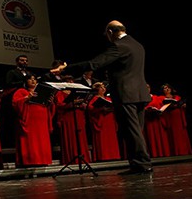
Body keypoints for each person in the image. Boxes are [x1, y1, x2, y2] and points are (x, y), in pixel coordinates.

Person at [52, 20, 153, 175]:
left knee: (132, 131)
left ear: (110, 32)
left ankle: (142, 164)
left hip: (126, 94)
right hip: (139, 93)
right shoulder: (137, 45)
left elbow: (94, 64)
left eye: (107, 35)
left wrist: (66, 68)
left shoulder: (119, 46)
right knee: (136, 130)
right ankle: (138, 164)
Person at [11, 74, 55, 167]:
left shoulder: (42, 91)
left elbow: (49, 107)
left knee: (42, 141)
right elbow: (16, 104)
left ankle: (42, 160)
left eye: (35, 79)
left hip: (42, 121)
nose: (33, 81)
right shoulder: (21, 91)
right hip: (30, 121)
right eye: (30, 79)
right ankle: (30, 161)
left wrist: (50, 102)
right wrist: (27, 98)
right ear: (25, 81)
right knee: (31, 142)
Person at [53, 75, 91, 166]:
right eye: (68, 81)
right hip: (68, 117)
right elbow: (59, 105)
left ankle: (83, 160)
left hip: (78, 116)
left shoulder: (78, 93)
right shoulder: (60, 93)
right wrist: (72, 103)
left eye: (71, 81)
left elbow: (83, 104)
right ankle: (71, 159)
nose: (71, 83)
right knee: (70, 137)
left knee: (80, 138)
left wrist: (83, 104)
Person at [87, 81, 121, 162]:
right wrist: (101, 109)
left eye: (103, 87)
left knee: (111, 139)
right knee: (103, 140)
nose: (103, 89)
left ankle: (114, 155)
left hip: (109, 121)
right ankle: (103, 157)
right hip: (101, 121)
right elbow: (90, 109)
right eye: (100, 87)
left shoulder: (108, 98)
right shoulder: (94, 99)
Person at [159, 83, 192, 156]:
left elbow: (181, 105)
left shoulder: (177, 97)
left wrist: (183, 105)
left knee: (181, 134)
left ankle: (184, 152)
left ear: (171, 89)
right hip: (170, 118)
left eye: (168, 87)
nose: (167, 89)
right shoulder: (161, 98)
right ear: (162, 90)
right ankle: (175, 153)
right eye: (165, 88)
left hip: (179, 118)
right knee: (173, 135)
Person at [143, 83, 171, 158]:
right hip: (149, 122)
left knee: (162, 138)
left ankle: (165, 154)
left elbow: (166, 104)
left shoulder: (157, 97)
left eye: (148, 87)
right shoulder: (141, 99)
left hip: (158, 120)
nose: (147, 88)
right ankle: (154, 155)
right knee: (151, 139)